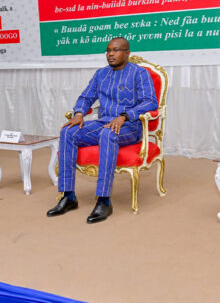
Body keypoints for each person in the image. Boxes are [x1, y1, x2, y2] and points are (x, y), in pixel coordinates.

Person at [47, 37, 158, 223]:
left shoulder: (139, 73)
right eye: (108, 51)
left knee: (108, 134)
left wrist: (125, 115)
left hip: (129, 126)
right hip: (104, 122)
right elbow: (85, 97)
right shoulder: (101, 74)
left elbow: (150, 102)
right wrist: (79, 113)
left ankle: (104, 201)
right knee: (68, 131)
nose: (111, 54)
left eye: (116, 50)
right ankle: (68, 196)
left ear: (127, 53)